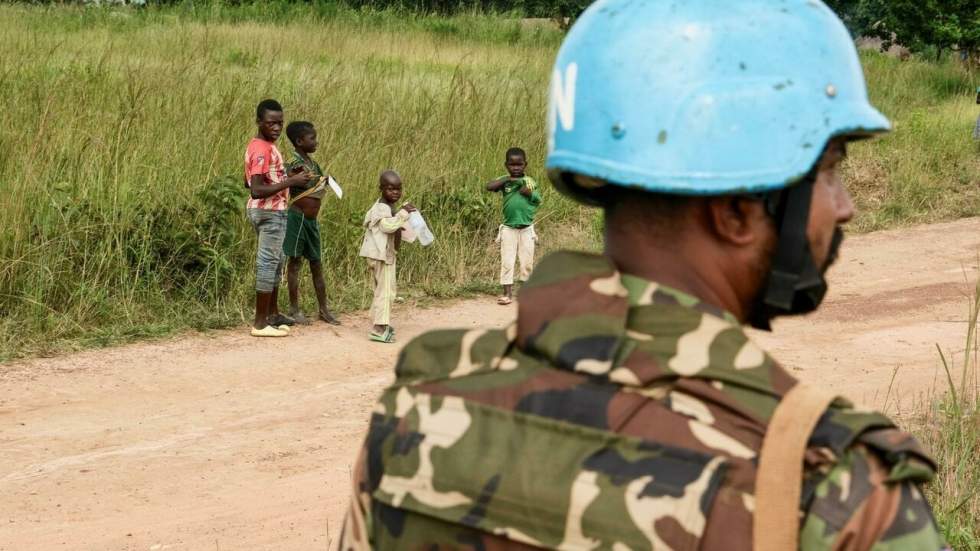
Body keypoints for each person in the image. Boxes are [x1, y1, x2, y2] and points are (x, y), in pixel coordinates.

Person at [339, 0, 949, 549]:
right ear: (737, 211)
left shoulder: (419, 407)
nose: (843, 206)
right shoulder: (837, 494)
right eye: (830, 170)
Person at [244, 99, 310, 338]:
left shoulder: (262, 146)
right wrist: (291, 182)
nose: (277, 127)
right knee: (268, 264)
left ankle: (272, 314)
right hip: (269, 212)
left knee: (276, 262)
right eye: (271, 123)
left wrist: (286, 175)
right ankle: (260, 323)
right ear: (259, 122)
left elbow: (249, 180)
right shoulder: (262, 148)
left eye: (280, 123)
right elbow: (256, 189)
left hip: (273, 211)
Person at [282, 120, 341, 326]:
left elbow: (315, 182)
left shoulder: (313, 163)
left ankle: (324, 309)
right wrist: (295, 175)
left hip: (311, 221)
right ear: (299, 141)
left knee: (316, 263)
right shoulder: (294, 162)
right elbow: (289, 177)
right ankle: (294, 309)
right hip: (297, 219)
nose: (316, 142)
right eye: (312, 138)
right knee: (295, 263)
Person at [358, 170, 415, 344]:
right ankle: (379, 329)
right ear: (381, 189)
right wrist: (404, 213)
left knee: (380, 291)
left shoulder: (387, 206)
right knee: (386, 292)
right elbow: (387, 226)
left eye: (398, 189)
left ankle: (379, 323)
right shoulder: (381, 208)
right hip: (381, 257)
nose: (395, 192)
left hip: (379, 255)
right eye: (390, 189)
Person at [486, 147, 541, 306]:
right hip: (509, 229)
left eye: (519, 164)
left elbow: (538, 200)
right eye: (512, 165)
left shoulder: (529, 182)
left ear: (525, 165)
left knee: (526, 262)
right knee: (507, 261)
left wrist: (528, 193)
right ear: (506, 165)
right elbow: (489, 186)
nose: (516, 168)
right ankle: (507, 294)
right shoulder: (505, 181)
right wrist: (506, 180)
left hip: (526, 229)